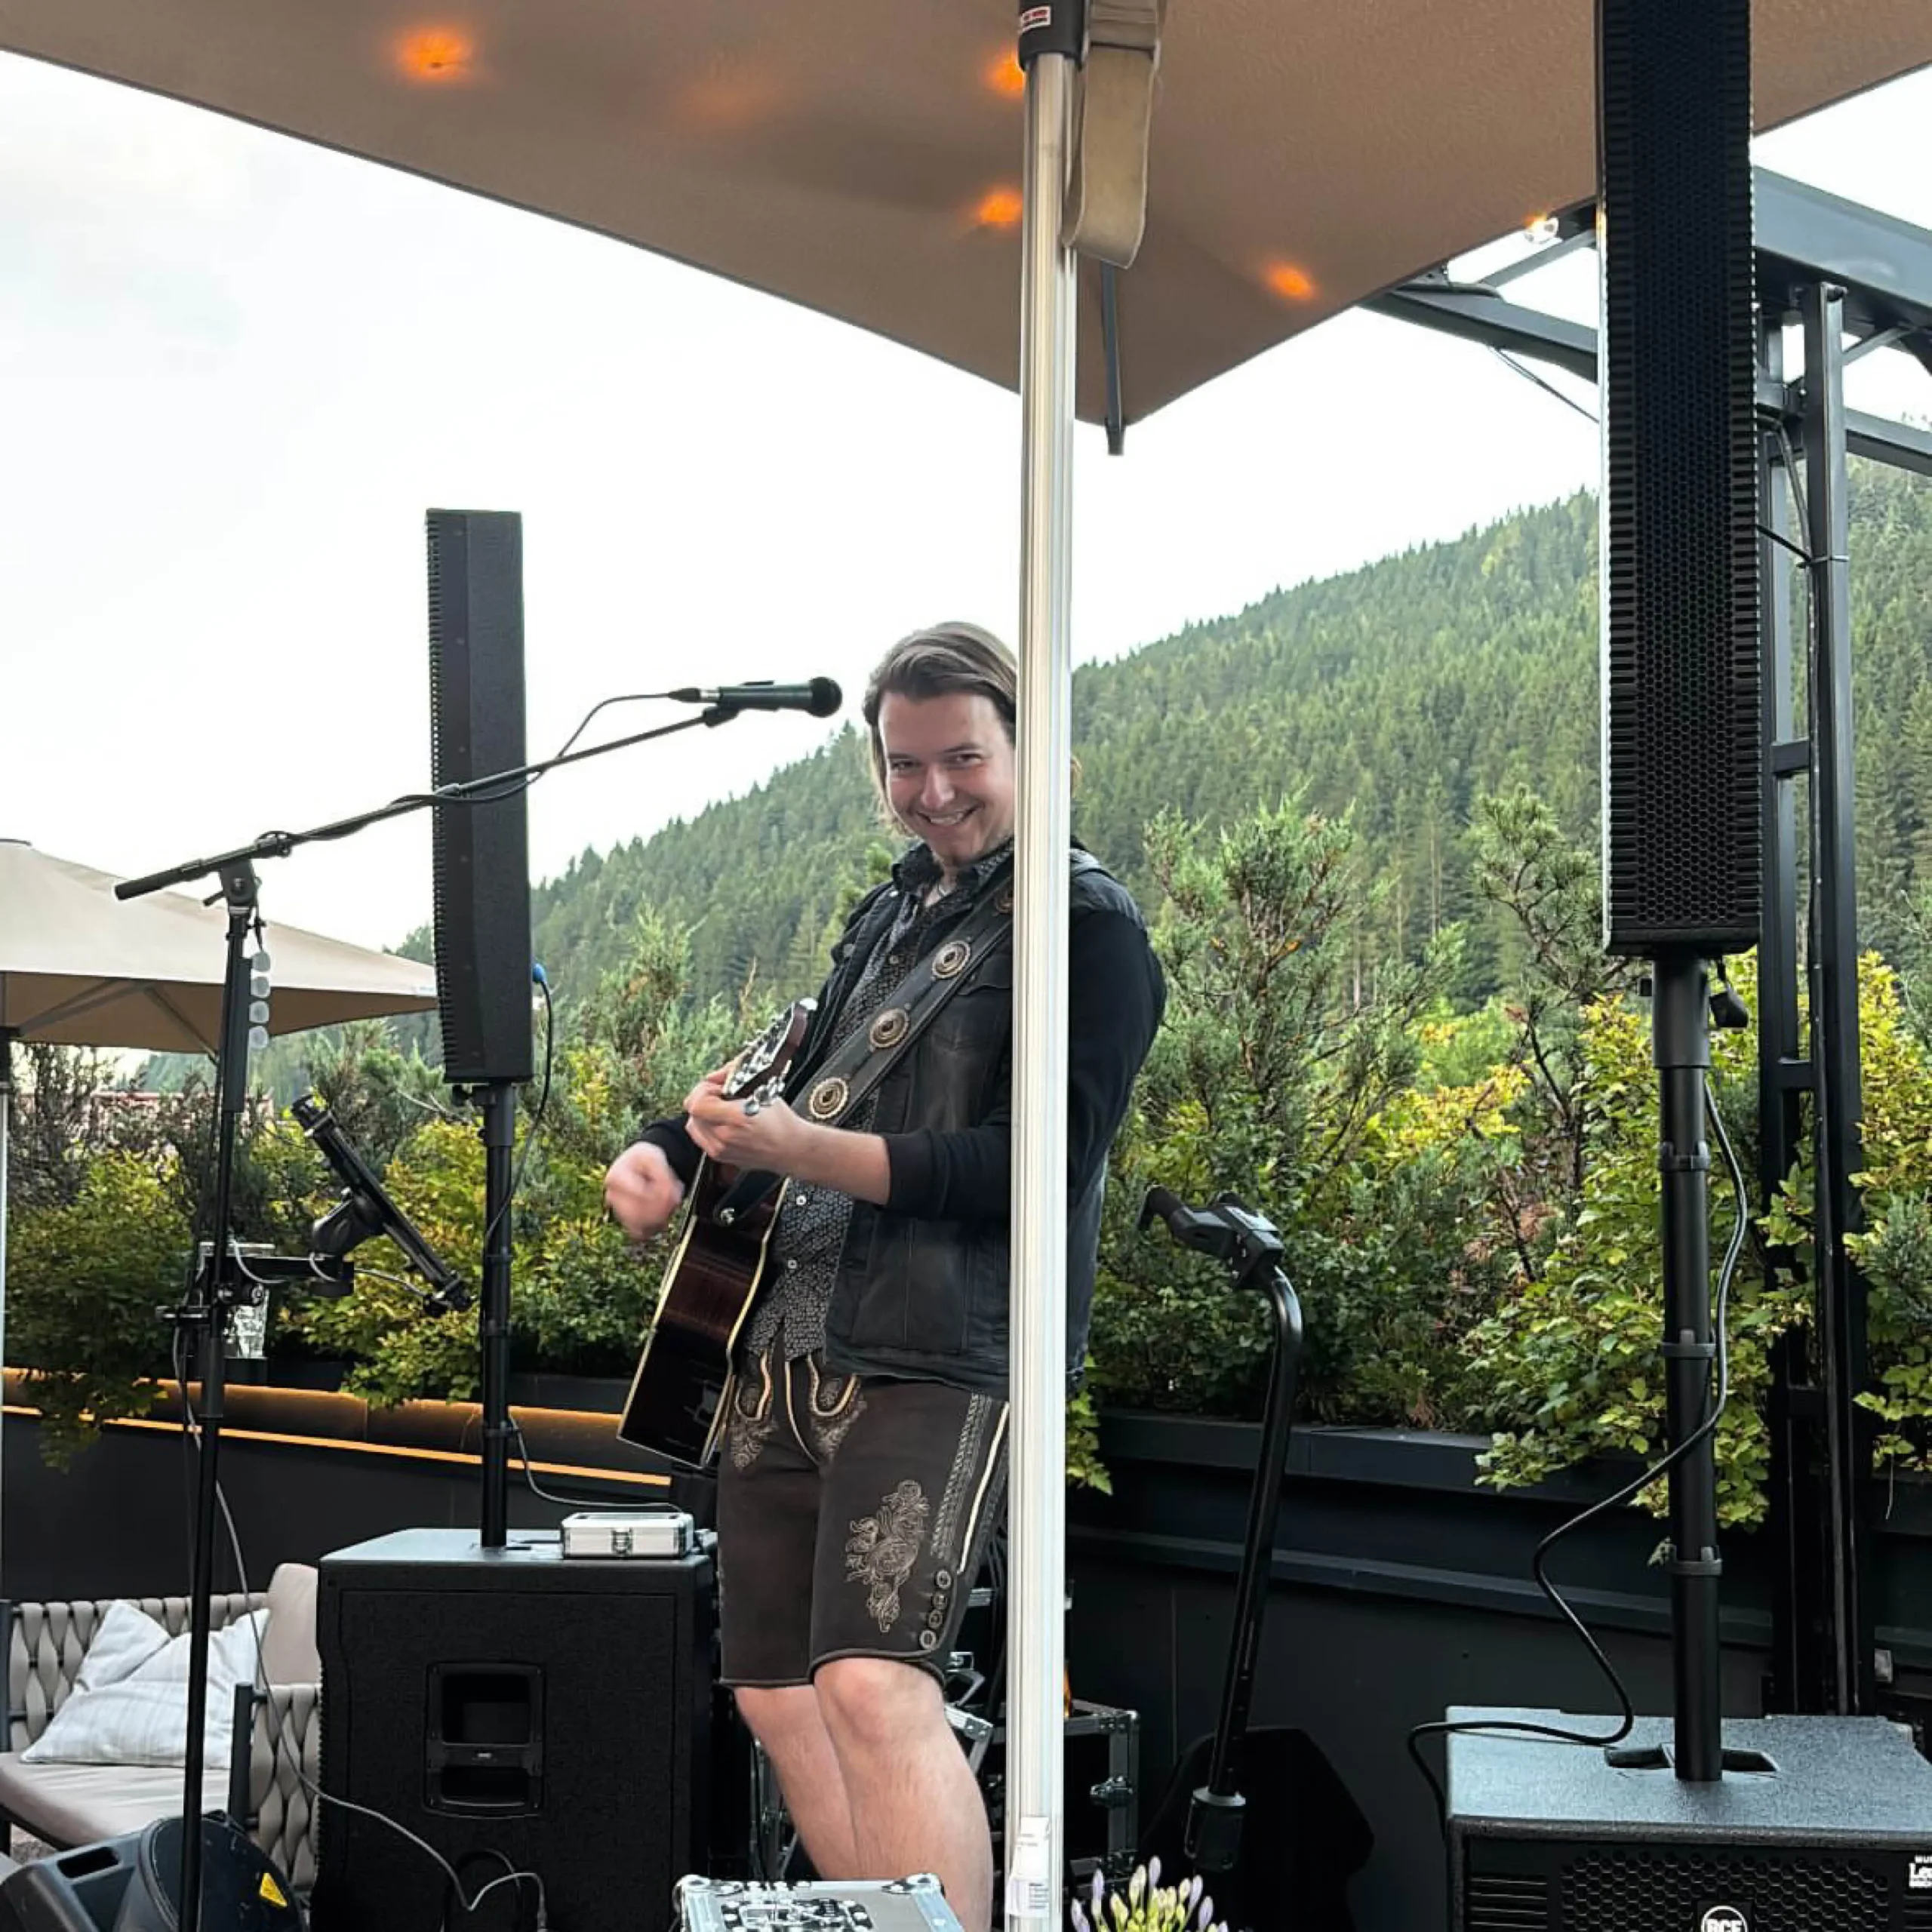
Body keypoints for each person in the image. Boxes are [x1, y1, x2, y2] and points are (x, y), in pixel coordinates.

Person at [604, 622, 1164, 1932]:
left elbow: (1034, 1168)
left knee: (870, 1682)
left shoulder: (1087, 927)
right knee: (773, 1692)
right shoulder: (890, 912)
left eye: (963, 757)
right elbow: (789, 1069)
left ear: (1032, 751)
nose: (933, 791)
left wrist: (808, 1153)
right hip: (776, 1347)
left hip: (941, 1349)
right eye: (905, 765)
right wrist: (664, 1148)